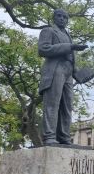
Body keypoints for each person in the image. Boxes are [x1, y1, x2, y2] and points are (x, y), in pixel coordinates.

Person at [38, 9, 88, 145]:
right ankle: (49, 136)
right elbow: (43, 49)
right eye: (59, 16)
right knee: (52, 104)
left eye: (65, 17)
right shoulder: (48, 31)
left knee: (67, 105)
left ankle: (64, 136)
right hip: (55, 69)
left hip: (68, 72)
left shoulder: (67, 34)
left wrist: (80, 73)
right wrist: (70, 46)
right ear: (54, 17)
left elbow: (70, 57)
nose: (62, 19)